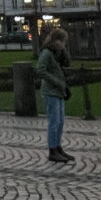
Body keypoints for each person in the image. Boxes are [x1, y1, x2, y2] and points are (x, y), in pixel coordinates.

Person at [35, 28, 74, 164]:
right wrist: (55, 81)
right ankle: (52, 150)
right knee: (54, 122)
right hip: (50, 91)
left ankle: (58, 147)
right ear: (56, 41)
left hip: (59, 91)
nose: (64, 44)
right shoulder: (47, 53)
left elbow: (67, 63)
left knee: (60, 122)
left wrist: (63, 50)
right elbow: (40, 70)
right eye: (62, 41)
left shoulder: (57, 53)